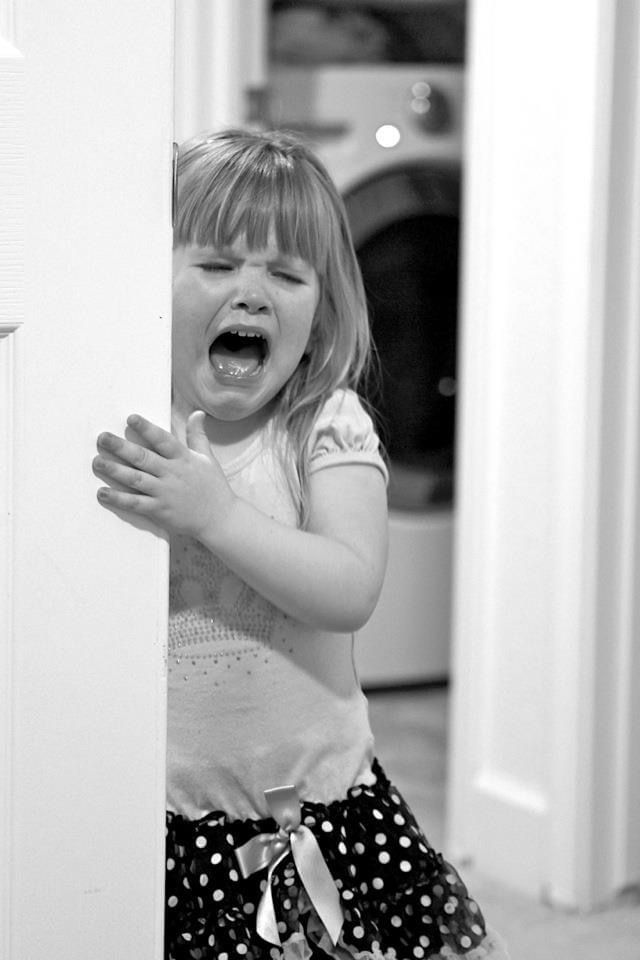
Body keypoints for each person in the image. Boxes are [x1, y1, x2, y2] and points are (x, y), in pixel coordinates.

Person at [93, 129, 508, 960]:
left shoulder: (324, 425)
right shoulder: (132, 423)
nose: (250, 293)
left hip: (318, 814)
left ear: (320, 310)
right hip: (168, 824)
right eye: (215, 265)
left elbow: (351, 587)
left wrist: (215, 514)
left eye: (285, 274)